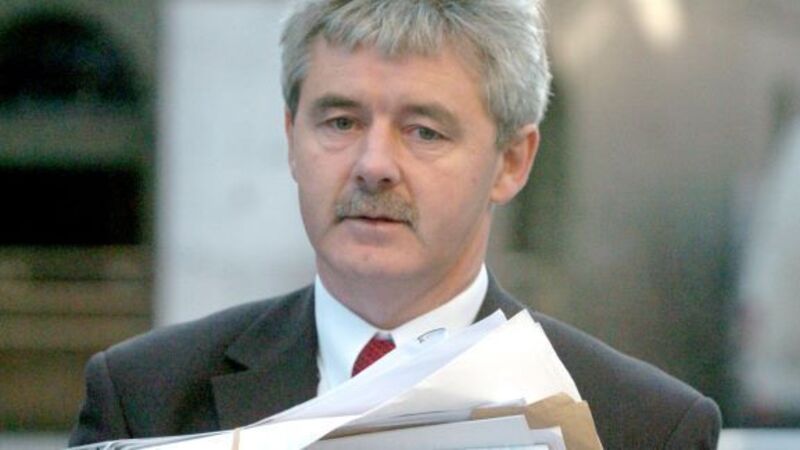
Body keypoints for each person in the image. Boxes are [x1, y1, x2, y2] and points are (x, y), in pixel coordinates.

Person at [69, 0, 721, 448]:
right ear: (291, 138)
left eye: (424, 130)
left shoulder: (645, 426)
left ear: (512, 162)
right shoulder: (145, 397)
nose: (374, 165)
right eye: (341, 122)